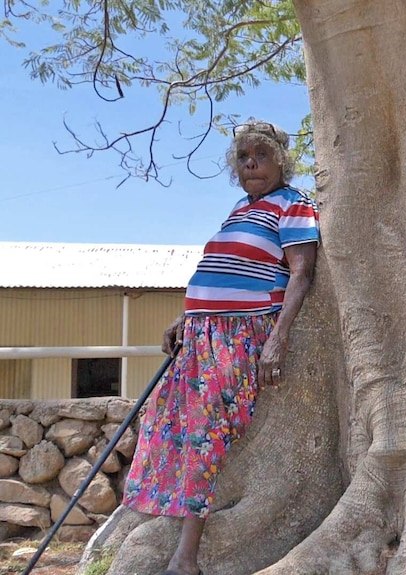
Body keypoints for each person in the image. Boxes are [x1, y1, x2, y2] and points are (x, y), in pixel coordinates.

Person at [122, 120, 320, 575]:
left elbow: (301, 275)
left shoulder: (293, 205)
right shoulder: (238, 209)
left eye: (261, 156)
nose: (252, 164)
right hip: (201, 334)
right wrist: (185, 318)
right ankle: (161, 529)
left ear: (280, 161)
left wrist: (278, 338)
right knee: (165, 423)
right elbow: (217, 269)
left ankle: (186, 557)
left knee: (205, 431)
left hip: (240, 335)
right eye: (244, 157)